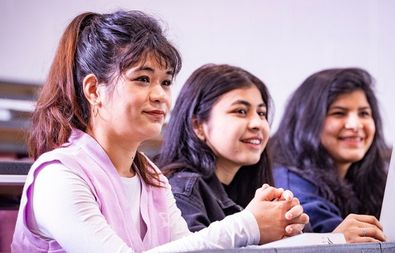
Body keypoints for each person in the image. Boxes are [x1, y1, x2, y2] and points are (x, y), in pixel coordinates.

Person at [11, 11, 306, 252]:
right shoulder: (59, 176)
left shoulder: (150, 175)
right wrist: (248, 225)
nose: (160, 96)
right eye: (142, 79)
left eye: (165, 82)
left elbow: (185, 247)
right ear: (93, 90)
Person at [269, 67, 395, 243]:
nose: (355, 125)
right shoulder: (290, 184)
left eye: (364, 113)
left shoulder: (373, 178)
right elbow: (335, 232)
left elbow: (390, 234)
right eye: (339, 113)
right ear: (307, 121)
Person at [156, 64, 309, 234]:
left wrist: (293, 225)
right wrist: (254, 229)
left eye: (262, 113)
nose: (257, 124)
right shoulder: (182, 191)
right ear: (198, 125)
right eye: (241, 111)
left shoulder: (250, 188)